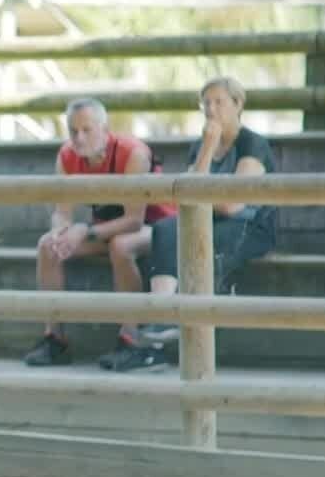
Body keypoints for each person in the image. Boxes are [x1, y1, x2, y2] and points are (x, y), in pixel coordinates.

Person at [127, 75, 278, 364]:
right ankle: (161, 314)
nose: (211, 109)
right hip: (211, 219)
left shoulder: (252, 144)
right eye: (205, 103)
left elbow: (233, 205)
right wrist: (209, 147)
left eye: (218, 102)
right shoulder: (201, 145)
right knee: (165, 229)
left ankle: (189, 344)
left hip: (251, 226)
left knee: (205, 244)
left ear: (238, 104)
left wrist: (203, 199)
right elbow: (189, 195)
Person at [24, 99, 177, 372]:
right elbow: (62, 211)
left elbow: (133, 220)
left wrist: (85, 230)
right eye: (73, 131)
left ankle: (131, 339)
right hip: (105, 229)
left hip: (159, 229)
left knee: (121, 245)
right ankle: (55, 339)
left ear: (105, 129)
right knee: (48, 245)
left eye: (87, 130)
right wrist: (61, 231)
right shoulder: (67, 155)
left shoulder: (133, 153)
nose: (79, 138)